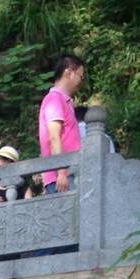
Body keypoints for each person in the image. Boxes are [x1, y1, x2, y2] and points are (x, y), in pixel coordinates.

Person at [38, 54, 85, 194]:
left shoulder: (65, 102)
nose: (81, 81)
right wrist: (62, 172)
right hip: (62, 177)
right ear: (68, 72)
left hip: (71, 172)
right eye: (80, 76)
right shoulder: (54, 99)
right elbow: (54, 136)